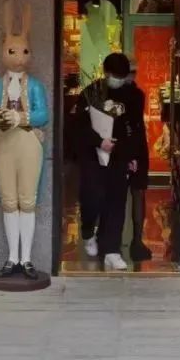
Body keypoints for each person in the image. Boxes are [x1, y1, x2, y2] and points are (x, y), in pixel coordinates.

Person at [71, 52, 146, 271]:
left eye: (122, 76)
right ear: (105, 73)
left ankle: (111, 250)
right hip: (93, 155)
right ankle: (87, 231)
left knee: (116, 200)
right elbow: (78, 124)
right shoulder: (91, 92)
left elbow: (136, 128)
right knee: (93, 196)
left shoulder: (134, 96)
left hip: (119, 154)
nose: (118, 80)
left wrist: (133, 156)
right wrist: (98, 141)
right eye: (115, 75)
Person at [126, 62, 152, 261]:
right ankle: (136, 240)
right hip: (136, 148)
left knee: (131, 194)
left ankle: (131, 240)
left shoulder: (131, 95)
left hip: (127, 149)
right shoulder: (137, 95)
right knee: (137, 194)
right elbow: (134, 126)